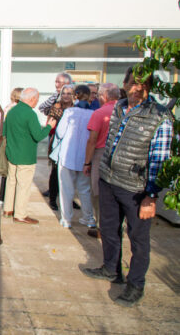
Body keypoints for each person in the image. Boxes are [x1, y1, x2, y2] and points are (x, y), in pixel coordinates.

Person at [83, 67, 172, 307]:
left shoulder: (159, 116)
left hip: (136, 189)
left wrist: (151, 196)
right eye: (133, 83)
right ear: (125, 83)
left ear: (150, 87)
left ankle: (135, 285)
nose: (137, 88)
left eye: (143, 84)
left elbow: (160, 159)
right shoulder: (119, 108)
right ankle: (111, 269)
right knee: (109, 229)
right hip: (110, 180)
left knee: (138, 240)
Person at [3, 88, 56, 224]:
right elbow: (38, 135)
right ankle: (20, 214)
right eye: (36, 100)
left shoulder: (12, 111)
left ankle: (8, 209)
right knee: (23, 185)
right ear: (31, 99)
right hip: (25, 155)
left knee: (11, 181)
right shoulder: (30, 114)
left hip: (11, 152)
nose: (37, 102)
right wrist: (49, 126)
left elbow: (4, 132)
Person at [53, 85, 95, 229]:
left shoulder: (70, 112)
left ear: (75, 96)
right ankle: (89, 218)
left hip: (68, 156)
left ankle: (66, 219)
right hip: (85, 157)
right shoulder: (92, 114)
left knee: (66, 189)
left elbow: (60, 132)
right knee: (84, 189)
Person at [83, 83, 120, 238]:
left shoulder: (99, 113)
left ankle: (101, 227)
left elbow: (92, 140)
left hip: (101, 153)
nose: (97, 97)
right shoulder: (126, 112)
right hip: (122, 154)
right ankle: (118, 226)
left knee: (98, 191)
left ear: (105, 96)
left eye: (98, 94)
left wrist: (87, 162)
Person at [46, 84, 75, 210]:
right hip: (57, 141)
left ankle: (70, 198)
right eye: (64, 93)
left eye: (69, 93)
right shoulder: (56, 108)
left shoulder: (76, 107)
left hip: (72, 143)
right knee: (55, 171)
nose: (66, 96)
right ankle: (53, 199)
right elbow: (50, 125)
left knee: (71, 172)